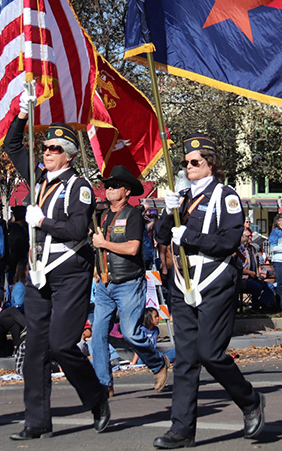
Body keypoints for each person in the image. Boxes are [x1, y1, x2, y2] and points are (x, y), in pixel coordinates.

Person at [3, 104, 109, 440]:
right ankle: (37, 421)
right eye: (46, 147)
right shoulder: (36, 179)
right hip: (38, 275)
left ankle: (96, 398)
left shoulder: (78, 187)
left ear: (69, 156)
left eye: (55, 149)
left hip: (69, 272)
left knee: (63, 345)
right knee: (35, 346)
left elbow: (78, 230)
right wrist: (21, 114)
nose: (47, 153)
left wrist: (43, 222)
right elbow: (12, 146)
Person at [154, 134, 265, 449]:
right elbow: (161, 236)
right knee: (186, 359)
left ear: (211, 164)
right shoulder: (184, 196)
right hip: (183, 283)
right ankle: (181, 430)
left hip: (215, 281)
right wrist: (167, 210)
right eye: (186, 162)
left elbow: (228, 242)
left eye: (195, 162)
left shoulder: (225, 196)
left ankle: (250, 400)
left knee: (210, 352)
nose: (188, 167)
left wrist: (188, 235)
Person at [90, 165, 170, 396]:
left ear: (127, 191)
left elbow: (133, 248)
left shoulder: (133, 214)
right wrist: (97, 268)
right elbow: (97, 247)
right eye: (108, 185)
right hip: (105, 284)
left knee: (130, 332)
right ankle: (104, 384)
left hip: (128, 283)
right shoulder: (103, 215)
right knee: (98, 334)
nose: (109, 188)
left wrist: (104, 244)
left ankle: (157, 363)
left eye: (115, 185)